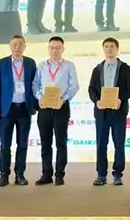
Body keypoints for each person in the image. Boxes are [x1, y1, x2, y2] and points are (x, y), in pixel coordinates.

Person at [32, 36, 80, 186]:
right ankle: (46, 174)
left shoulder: (69, 66)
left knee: (61, 142)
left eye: (58, 48)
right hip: (44, 108)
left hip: (61, 107)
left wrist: (63, 99)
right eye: (52, 47)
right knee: (45, 142)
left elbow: (74, 86)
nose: (54, 50)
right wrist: (39, 97)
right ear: (48, 48)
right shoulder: (41, 66)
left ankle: (60, 174)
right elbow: (35, 84)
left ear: (63, 49)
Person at [88, 37, 130, 186]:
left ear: (117, 49)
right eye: (106, 46)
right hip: (102, 112)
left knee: (119, 143)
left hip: (118, 111)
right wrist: (97, 101)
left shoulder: (125, 68)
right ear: (103, 49)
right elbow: (91, 89)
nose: (109, 49)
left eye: (112, 46)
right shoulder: (97, 69)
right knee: (101, 144)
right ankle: (101, 174)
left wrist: (120, 99)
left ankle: (118, 174)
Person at [0, 35, 37, 187]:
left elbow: (35, 85)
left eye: (20, 45)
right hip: (7, 109)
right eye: (14, 45)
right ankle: (4, 175)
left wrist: (35, 105)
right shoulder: (1, 63)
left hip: (24, 108)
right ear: (10, 46)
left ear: (25, 46)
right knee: (5, 145)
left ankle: (20, 174)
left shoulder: (30, 63)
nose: (17, 47)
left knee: (22, 144)